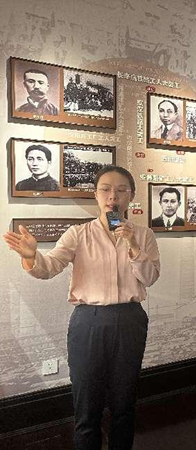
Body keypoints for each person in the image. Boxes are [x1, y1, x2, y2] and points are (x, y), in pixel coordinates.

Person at [3, 165, 160, 450]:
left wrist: (133, 244)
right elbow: (49, 267)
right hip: (89, 321)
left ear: (131, 196)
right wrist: (31, 256)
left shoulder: (144, 234)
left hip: (130, 320)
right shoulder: (78, 234)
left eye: (121, 190)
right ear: (96, 195)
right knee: (87, 405)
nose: (113, 196)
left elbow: (150, 278)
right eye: (105, 189)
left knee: (124, 402)